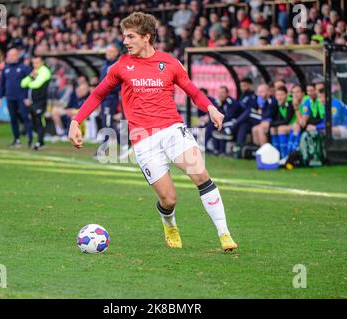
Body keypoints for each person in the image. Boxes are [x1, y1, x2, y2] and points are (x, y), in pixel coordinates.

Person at [68, 12, 237, 251]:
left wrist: (211, 108)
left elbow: (192, 90)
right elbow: (98, 94)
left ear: (146, 37)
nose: (125, 41)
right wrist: (77, 121)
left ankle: (224, 234)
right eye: (124, 36)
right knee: (169, 199)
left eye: (130, 36)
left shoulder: (170, 63)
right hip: (143, 139)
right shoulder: (121, 66)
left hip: (172, 129)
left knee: (200, 175)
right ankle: (169, 224)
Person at [0, 48, 33, 148]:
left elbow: (29, 83)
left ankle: (30, 139)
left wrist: (27, 97)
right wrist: (0, 97)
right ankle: (16, 139)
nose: (10, 57)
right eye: (9, 55)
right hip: (10, 98)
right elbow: (2, 84)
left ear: (17, 56)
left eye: (12, 55)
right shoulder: (6, 68)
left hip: (21, 98)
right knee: (13, 119)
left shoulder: (24, 68)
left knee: (25, 117)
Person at [21, 55, 52, 150]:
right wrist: (30, 77)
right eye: (33, 63)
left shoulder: (45, 71)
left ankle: (40, 142)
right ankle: (39, 142)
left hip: (41, 101)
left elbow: (36, 84)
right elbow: (22, 83)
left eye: (37, 62)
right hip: (33, 101)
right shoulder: (35, 71)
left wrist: (29, 81)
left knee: (40, 120)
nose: (35, 64)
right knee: (34, 121)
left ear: (42, 62)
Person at [270, 86, 294, 160]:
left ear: (286, 94)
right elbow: (279, 118)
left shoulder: (290, 103)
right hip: (289, 125)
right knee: (273, 129)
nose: (279, 97)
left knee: (280, 129)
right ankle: (277, 154)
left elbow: (287, 120)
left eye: (281, 95)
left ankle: (284, 156)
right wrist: (272, 124)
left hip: (295, 124)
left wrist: (272, 123)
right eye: (277, 95)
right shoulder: (279, 104)